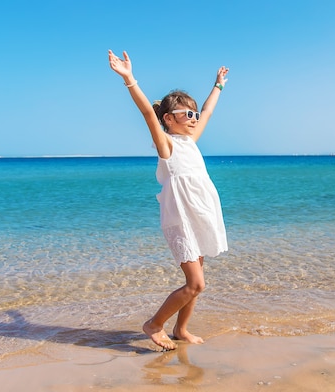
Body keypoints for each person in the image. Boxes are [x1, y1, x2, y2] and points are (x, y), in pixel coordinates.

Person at [108, 50, 229, 350]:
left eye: (194, 114)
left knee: (198, 282)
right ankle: (154, 324)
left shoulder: (190, 142)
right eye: (187, 114)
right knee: (195, 283)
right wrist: (128, 79)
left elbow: (209, 112)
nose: (194, 118)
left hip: (200, 214)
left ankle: (181, 329)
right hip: (180, 219)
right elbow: (147, 113)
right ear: (168, 119)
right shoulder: (167, 145)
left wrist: (218, 86)